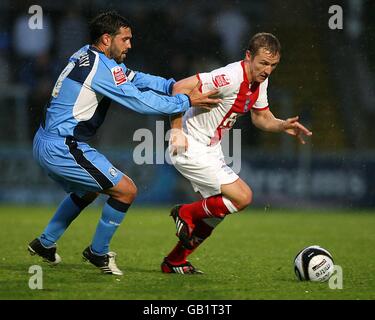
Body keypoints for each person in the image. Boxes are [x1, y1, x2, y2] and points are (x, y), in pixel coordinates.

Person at [28, 11, 220, 276]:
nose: (130, 45)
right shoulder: (101, 69)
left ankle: (45, 243)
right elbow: (139, 102)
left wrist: (172, 85)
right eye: (125, 39)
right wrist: (185, 101)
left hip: (45, 140)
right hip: (62, 145)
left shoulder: (86, 54)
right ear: (107, 39)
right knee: (126, 190)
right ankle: (98, 253)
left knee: (89, 190)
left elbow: (135, 78)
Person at [162, 32, 312, 274]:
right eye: (263, 63)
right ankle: (184, 212)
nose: (268, 70)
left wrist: (282, 124)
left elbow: (261, 117)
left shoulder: (260, 81)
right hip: (189, 144)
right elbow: (179, 87)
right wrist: (176, 130)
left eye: (273, 65)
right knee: (243, 197)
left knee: (216, 214)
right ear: (248, 56)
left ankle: (174, 261)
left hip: (210, 149)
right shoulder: (229, 77)